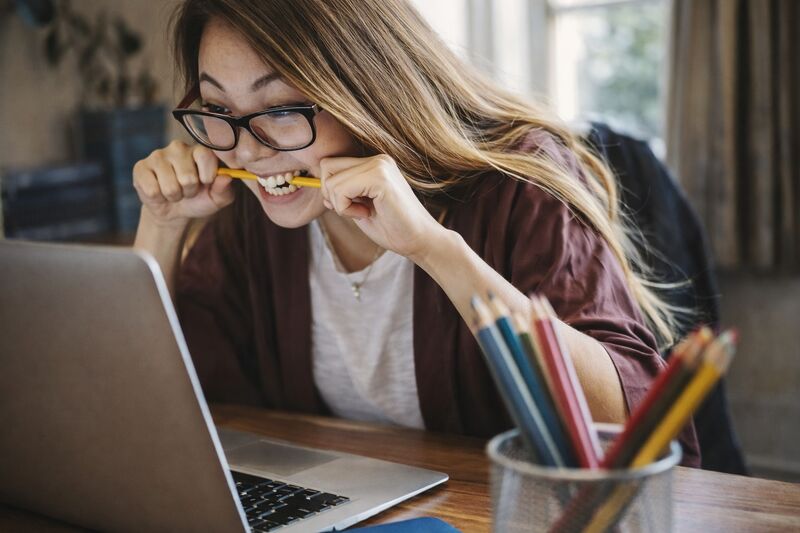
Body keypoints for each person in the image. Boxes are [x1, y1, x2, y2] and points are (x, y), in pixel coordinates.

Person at [133, 0, 699, 464]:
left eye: (280, 109)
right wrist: (162, 225)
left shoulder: (519, 186)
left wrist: (433, 249)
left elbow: (634, 430)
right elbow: (144, 408)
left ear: (365, 89)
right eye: (217, 109)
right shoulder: (250, 213)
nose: (247, 151)